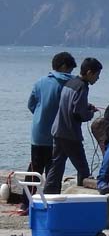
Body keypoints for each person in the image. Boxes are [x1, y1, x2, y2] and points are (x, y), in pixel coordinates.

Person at [22, 52, 76, 211]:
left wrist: (41, 116)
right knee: (54, 171)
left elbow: (31, 105)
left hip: (38, 132)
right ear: (64, 67)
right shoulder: (71, 85)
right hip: (59, 134)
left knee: (34, 169)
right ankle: (50, 204)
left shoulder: (40, 82)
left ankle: (25, 204)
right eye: (70, 69)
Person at [43, 57, 102, 194]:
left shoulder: (71, 82)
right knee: (83, 169)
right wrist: (90, 114)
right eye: (97, 75)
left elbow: (69, 103)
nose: (97, 79)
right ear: (89, 73)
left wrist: (87, 106)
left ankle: (48, 196)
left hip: (58, 131)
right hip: (70, 134)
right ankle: (83, 198)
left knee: (56, 167)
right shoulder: (82, 86)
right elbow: (77, 113)